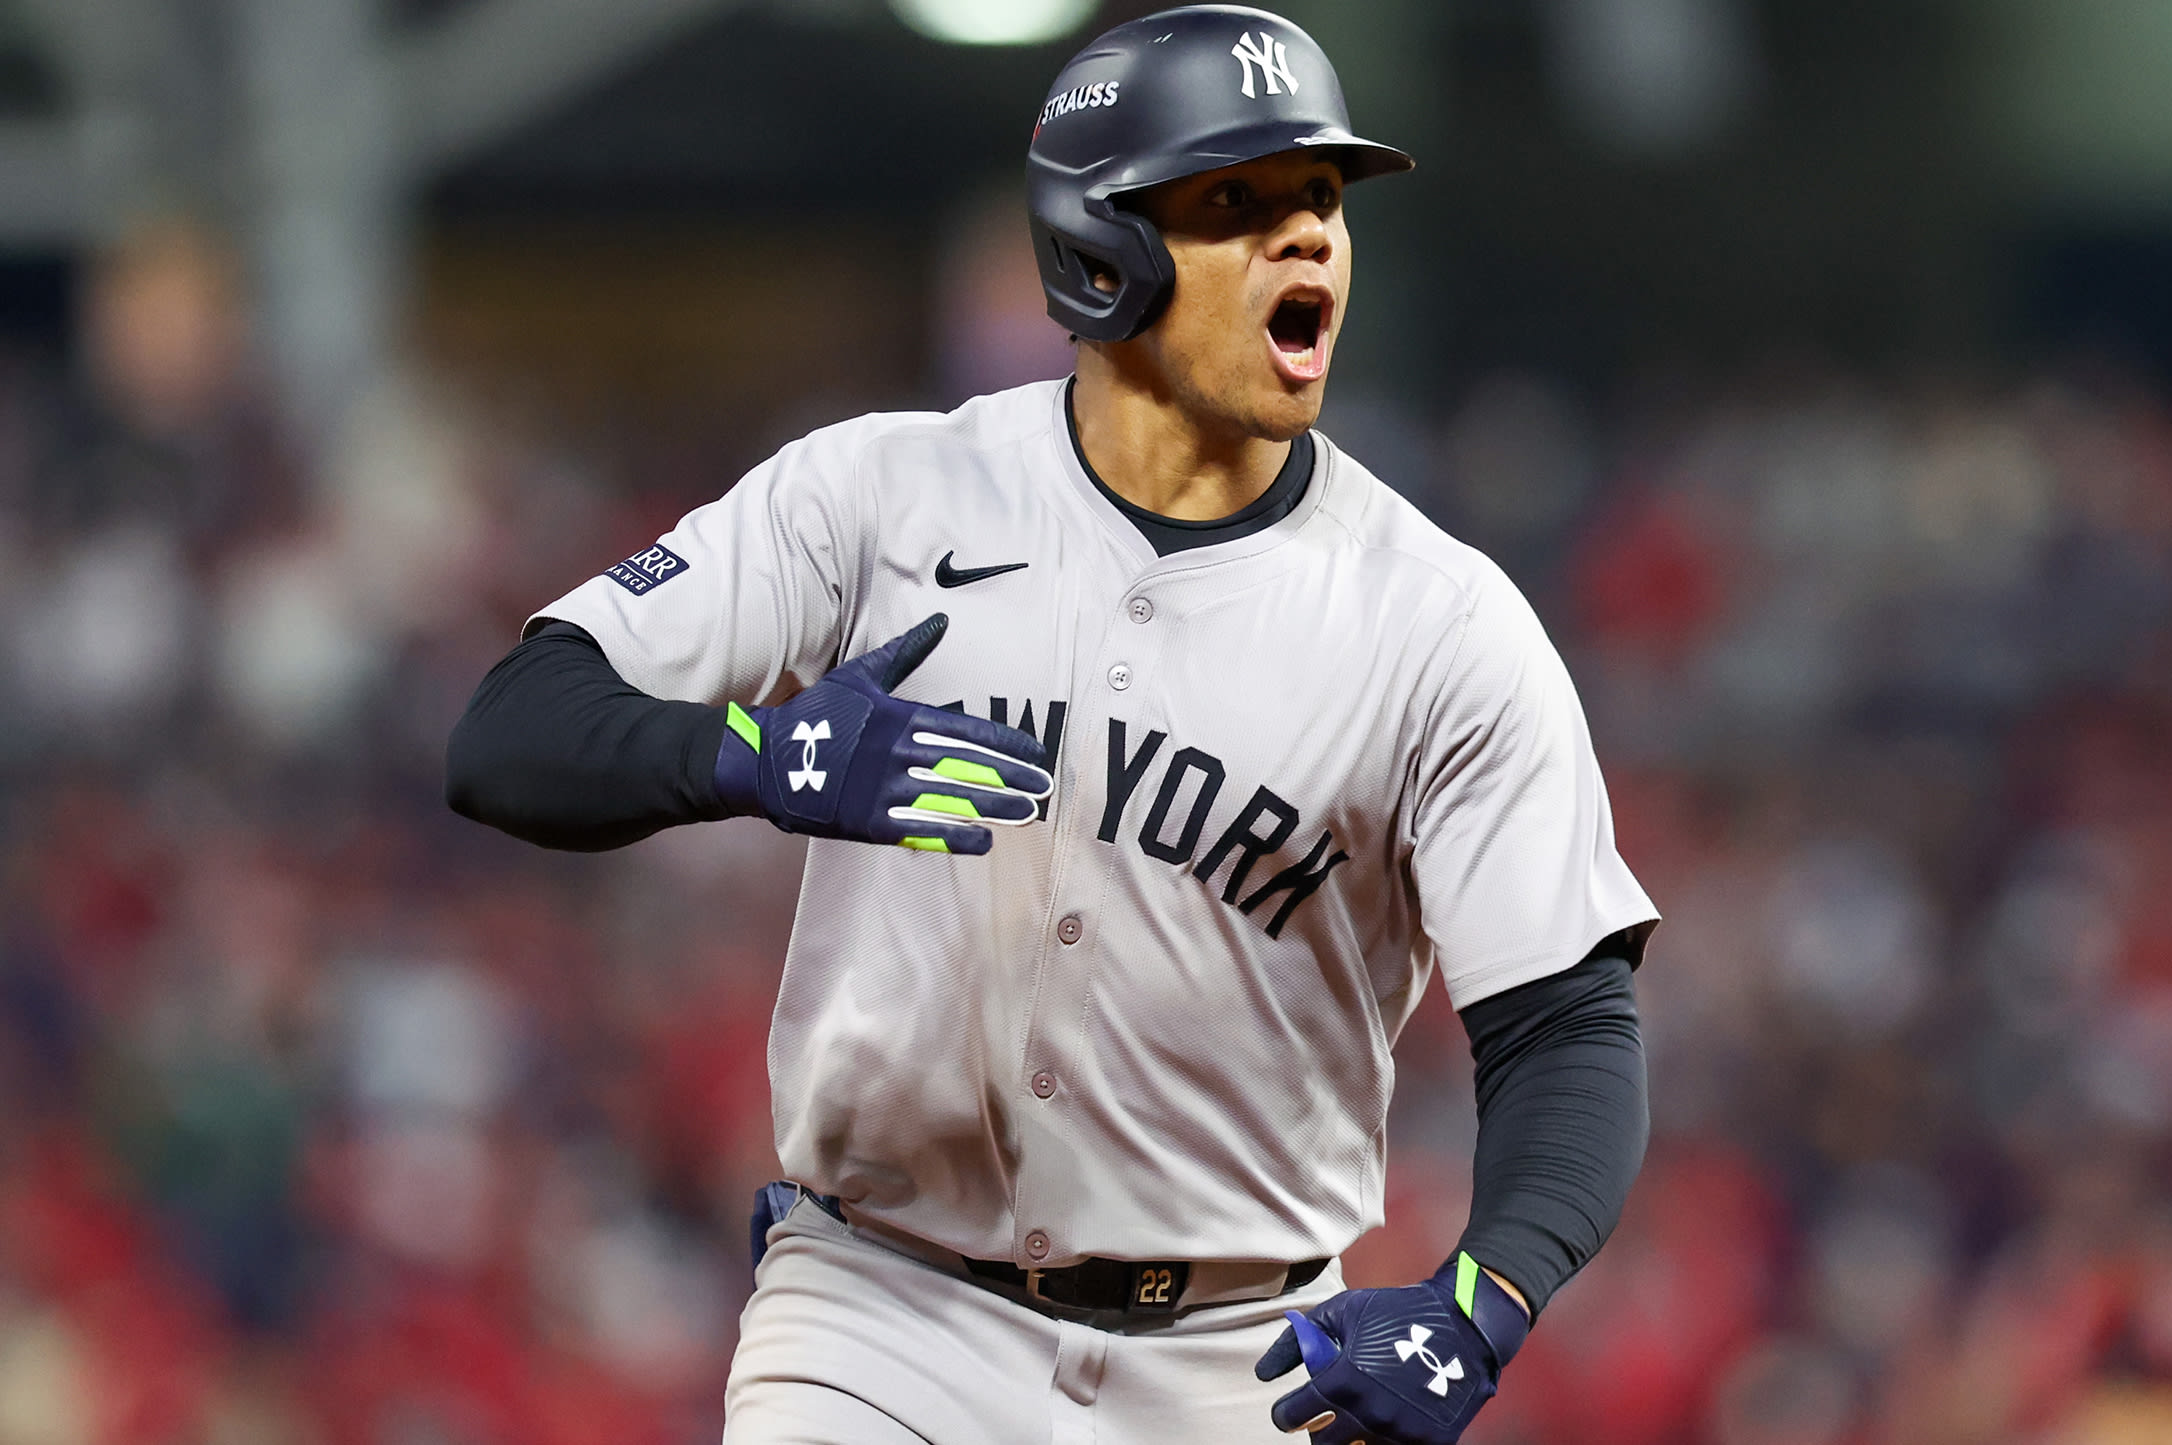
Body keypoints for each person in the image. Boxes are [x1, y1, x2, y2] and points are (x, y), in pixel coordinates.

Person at [444, 7, 1653, 1441]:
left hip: (1244, 1358)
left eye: (1322, 200)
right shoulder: (884, 496)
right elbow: (512, 729)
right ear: (1101, 254)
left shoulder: (1442, 622)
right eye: (1237, 203)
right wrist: (760, 758)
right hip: (881, 1318)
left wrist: (1479, 1303)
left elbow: (1569, 1023)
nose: (1310, 239)